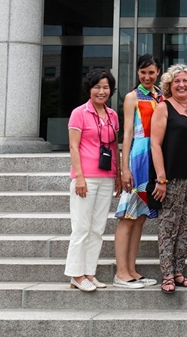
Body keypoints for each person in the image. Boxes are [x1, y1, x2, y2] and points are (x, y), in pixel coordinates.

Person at [150, 64, 187, 294]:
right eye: (177, 81)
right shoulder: (163, 108)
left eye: (185, 81)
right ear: (169, 85)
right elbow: (155, 144)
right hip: (170, 179)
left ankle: (179, 272)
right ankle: (166, 275)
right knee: (168, 227)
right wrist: (161, 179)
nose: (182, 84)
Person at [64, 69, 122, 292]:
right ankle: (76, 275)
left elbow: (114, 147)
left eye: (106, 87)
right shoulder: (79, 113)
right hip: (85, 177)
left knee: (97, 228)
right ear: (89, 89)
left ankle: (89, 272)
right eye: (97, 87)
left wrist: (117, 174)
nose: (101, 91)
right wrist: (79, 177)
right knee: (81, 228)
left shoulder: (112, 115)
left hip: (106, 177)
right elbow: (73, 146)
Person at [113, 54, 162, 289]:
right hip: (138, 158)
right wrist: (124, 168)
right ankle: (121, 272)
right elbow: (128, 133)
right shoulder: (132, 97)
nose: (147, 76)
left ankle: (132, 269)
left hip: (154, 159)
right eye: (143, 73)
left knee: (140, 217)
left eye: (151, 72)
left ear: (158, 72)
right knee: (128, 216)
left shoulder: (161, 96)